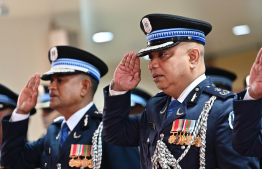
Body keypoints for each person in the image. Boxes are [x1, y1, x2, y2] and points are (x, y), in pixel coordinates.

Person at [102, 13, 261, 168]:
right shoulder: (155, 107)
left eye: (163, 54)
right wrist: (119, 89)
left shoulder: (222, 109)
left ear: (193, 58)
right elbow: (114, 134)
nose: (152, 64)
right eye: (151, 57)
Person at [0, 46, 140, 169]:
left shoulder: (109, 130)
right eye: (51, 80)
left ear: (84, 87)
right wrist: (21, 112)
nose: (51, 86)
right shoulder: (54, 132)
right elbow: (12, 162)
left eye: (60, 80)